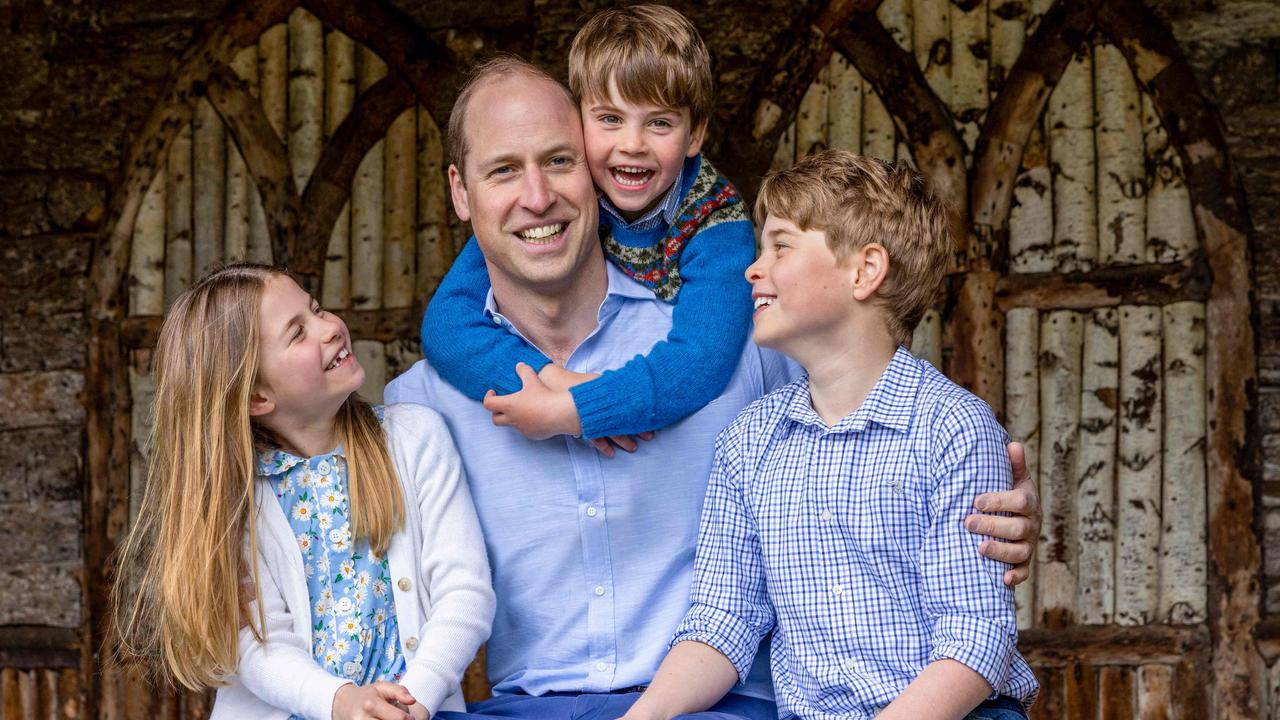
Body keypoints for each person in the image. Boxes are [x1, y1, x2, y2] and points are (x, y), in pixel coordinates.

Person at [386, 57, 1041, 720]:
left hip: (726, 705)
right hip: (525, 708)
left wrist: (988, 510)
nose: (536, 196)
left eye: (559, 161)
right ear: (460, 192)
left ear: (596, 170)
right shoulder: (420, 408)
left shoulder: (733, 345)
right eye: (503, 170)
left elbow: (870, 413)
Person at [622, 152, 1038, 720]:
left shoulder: (952, 431)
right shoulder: (749, 444)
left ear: (865, 271)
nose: (753, 267)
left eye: (781, 246)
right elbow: (724, 619)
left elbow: (974, 638)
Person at [110, 264, 495, 720]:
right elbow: (257, 644)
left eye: (317, 309)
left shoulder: (414, 438)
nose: (331, 327)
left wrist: (416, 699)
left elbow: (464, 590)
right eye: (298, 333)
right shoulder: (233, 500)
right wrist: (341, 703)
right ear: (256, 398)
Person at [420, 5, 755, 447]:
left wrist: (582, 409)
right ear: (579, 122)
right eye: (610, 119)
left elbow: (702, 361)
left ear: (694, 136)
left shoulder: (718, 223)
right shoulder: (575, 193)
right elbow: (445, 324)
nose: (631, 145)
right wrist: (549, 381)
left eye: (659, 123)